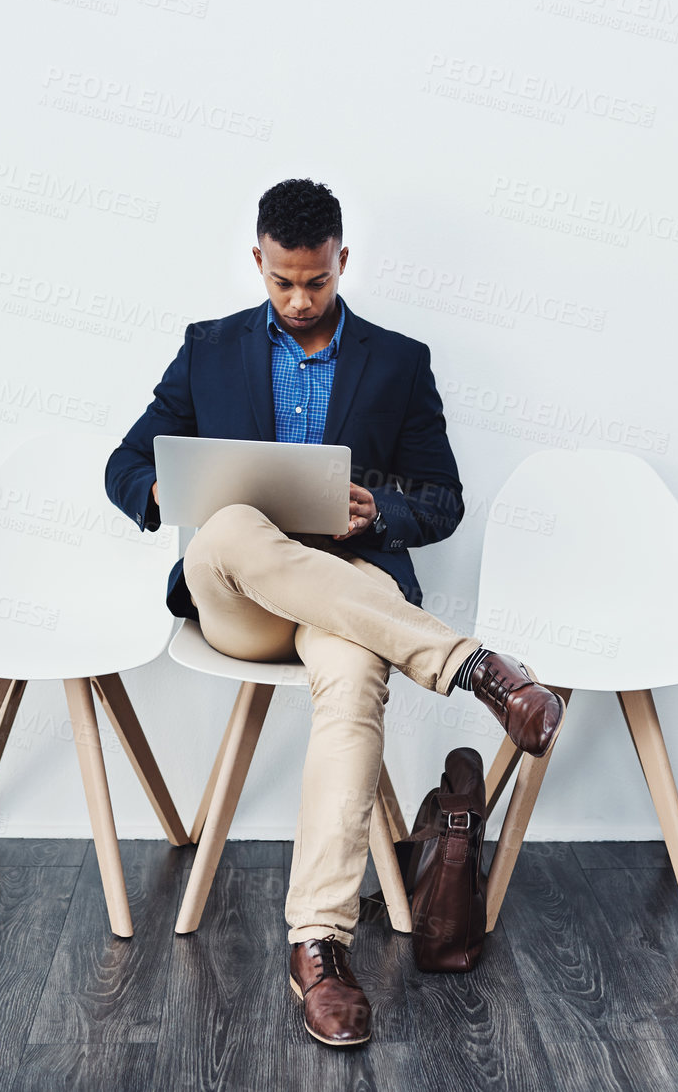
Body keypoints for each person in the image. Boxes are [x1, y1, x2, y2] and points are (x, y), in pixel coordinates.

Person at [104, 178, 564, 1047]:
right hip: (236, 596)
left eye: (315, 280)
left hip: (344, 601)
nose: (300, 299)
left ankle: (317, 943)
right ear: (258, 262)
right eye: (282, 281)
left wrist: (379, 513)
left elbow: (443, 497)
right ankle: (472, 666)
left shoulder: (396, 360)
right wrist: (162, 489)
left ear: (341, 260)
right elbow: (124, 462)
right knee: (236, 524)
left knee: (353, 683)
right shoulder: (207, 349)